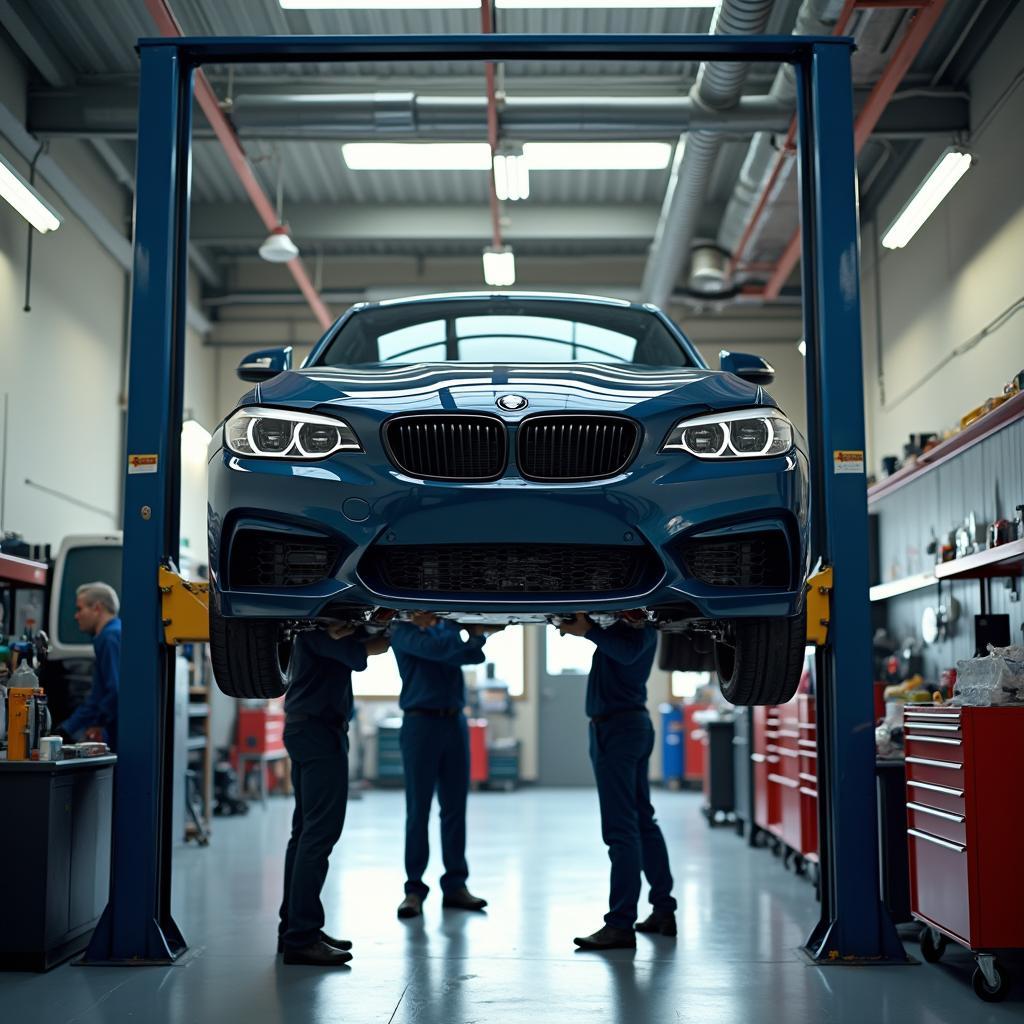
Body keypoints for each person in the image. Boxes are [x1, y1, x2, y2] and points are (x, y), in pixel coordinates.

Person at [558, 612, 677, 951]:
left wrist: (589, 630)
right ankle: (663, 911)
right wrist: (587, 628)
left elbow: (625, 652)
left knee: (621, 829)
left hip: (617, 730)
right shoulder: (632, 628)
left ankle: (620, 924)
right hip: (627, 726)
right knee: (642, 821)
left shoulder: (640, 629)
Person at [278, 623, 390, 967]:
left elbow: (354, 646)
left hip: (308, 729)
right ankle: (301, 937)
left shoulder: (315, 628)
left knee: (304, 835)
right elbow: (362, 655)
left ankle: (295, 928)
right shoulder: (316, 628)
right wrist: (394, 628)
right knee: (319, 835)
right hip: (318, 733)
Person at [389, 613, 498, 919]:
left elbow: (473, 655)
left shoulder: (448, 626)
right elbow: (452, 652)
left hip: (454, 723)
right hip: (419, 724)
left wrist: (468, 640)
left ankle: (455, 886)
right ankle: (413, 890)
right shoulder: (401, 631)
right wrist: (474, 636)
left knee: (455, 809)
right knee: (418, 810)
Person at [57, 582, 121, 750]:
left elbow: (114, 689)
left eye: (80, 609)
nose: (76, 616)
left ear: (97, 608)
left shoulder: (109, 637)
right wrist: (66, 729)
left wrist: (97, 723)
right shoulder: (112, 634)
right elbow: (97, 697)